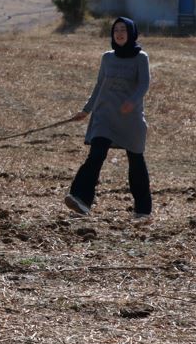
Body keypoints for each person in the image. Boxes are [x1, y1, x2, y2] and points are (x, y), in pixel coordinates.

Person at [64, 16, 152, 220]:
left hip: (131, 119)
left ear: (131, 33)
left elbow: (144, 84)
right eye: (116, 30)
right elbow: (99, 86)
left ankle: (143, 210)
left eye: (123, 30)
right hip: (104, 116)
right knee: (95, 156)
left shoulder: (141, 57)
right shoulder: (107, 57)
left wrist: (132, 101)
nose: (119, 33)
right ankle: (80, 199)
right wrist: (86, 110)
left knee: (136, 161)